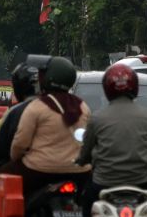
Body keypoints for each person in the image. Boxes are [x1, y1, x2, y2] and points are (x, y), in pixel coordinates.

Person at [75, 64, 147, 217]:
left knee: (86, 204)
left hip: (103, 182)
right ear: (135, 87)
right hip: (141, 182)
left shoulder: (97, 118)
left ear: (107, 88)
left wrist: (81, 161)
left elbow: (86, 153)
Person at [8, 56, 90, 198]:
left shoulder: (37, 107)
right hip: (79, 172)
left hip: (41, 172)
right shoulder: (83, 106)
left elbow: (20, 144)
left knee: (3, 174)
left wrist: (14, 158)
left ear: (48, 78)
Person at [0, 63, 37, 190]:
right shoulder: (70, 107)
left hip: (36, 165)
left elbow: (15, 146)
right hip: (71, 167)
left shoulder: (17, 111)